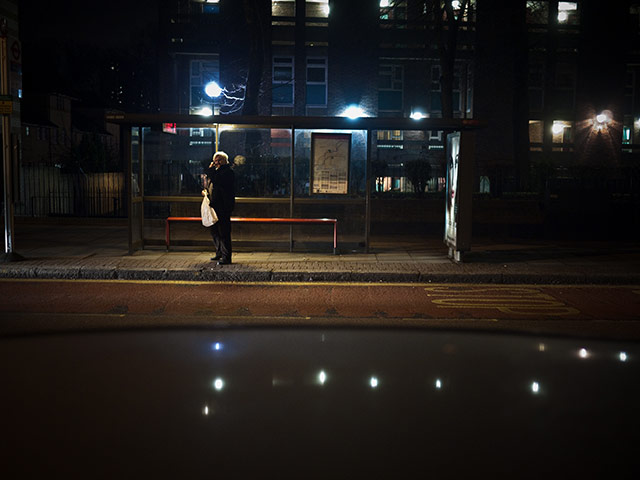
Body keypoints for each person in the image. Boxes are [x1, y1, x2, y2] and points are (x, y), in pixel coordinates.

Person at [203, 151, 235, 265]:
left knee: (224, 232)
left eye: (219, 160)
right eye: (215, 161)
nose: (216, 163)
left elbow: (217, 180)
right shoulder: (217, 172)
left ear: (225, 161)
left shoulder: (227, 172)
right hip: (214, 206)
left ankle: (226, 257)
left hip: (223, 207)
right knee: (215, 231)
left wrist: (210, 170)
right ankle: (219, 252)